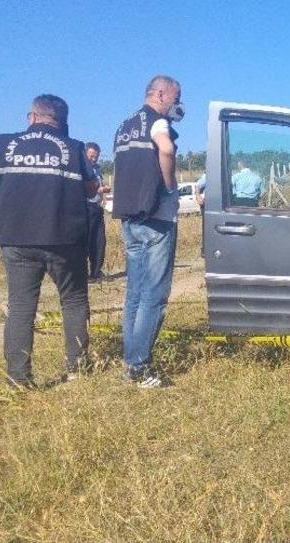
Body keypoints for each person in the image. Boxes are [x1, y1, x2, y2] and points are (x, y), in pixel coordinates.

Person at [0, 95, 99, 388]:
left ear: (32, 116)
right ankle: (77, 370)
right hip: (64, 238)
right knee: (74, 300)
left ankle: (18, 378)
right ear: (62, 122)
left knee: (20, 306)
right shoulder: (74, 148)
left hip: (15, 238)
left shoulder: (1, 144)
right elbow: (91, 188)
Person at [111, 75, 184, 388]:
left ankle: (131, 361)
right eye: (175, 98)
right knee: (154, 296)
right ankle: (140, 368)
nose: (176, 104)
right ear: (160, 93)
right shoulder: (157, 123)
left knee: (135, 295)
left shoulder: (124, 125)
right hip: (156, 217)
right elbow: (166, 150)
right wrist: (170, 187)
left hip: (130, 216)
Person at [84, 142, 109, 280]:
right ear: (86, 154)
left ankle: (96, 271)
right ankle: (82, 274)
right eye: (92, 156)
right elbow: (84, 187)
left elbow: (99, 185)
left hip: (97, 207)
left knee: (99, 241)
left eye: (96, 156)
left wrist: (103, 190)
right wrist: (100, 189)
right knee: (86, 241)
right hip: (86, 207)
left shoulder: (97, 169)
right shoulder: (81, 169)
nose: (94, 159)